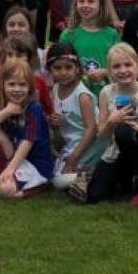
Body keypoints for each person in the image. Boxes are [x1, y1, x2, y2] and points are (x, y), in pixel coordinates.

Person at [78, 43, 138, 205]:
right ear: (110, 71)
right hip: (116, 151)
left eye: (128, 64)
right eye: (116, 66)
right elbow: (103, 134)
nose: (123, 70)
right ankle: (121, 180)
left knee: (124, 131)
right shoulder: (106, 93)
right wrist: (112, 121)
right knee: (93, 196)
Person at [0, 59, 54, 198]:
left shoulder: (34, 108)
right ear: (3, 85)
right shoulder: (5, 105)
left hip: (35, 164)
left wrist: (11, 169)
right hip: (17, 158)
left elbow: (27, 142)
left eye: (22, 85)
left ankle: (39, 184)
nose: (17, 89)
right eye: (12, 84)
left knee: (4, 191)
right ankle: (5, 174)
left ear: (29, 88)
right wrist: (7, 111)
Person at [46, 42, 102, 192]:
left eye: (68, 67)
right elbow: (63, 122)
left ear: (77, 69)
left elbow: (92, 128)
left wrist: (75, 157)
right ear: (50, 70)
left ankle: (99, 176)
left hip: (90, 142)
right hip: (72, 142)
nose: (63, 72)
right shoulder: (56, 89)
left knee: (59, 181)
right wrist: (54, 122)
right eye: (57, 68)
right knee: (54, 176)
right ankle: (88, 176)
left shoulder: (82, 95)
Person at [57, 0, 117, 91]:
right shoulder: (68, 34)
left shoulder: (111, 34)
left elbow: (120, 64)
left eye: (91, 1)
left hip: (106, 92)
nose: (85, 5)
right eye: (81, 1)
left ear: (101, 5)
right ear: (76, 5)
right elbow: (61, 63)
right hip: (76, 91)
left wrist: (105, 72)